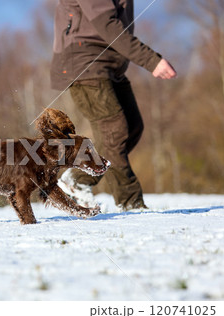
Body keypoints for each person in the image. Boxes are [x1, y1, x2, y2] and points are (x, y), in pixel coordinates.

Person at [51, 0, 177, 211]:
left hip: (110, 66)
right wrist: (151, 60)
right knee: (115, 131)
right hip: (85, 63)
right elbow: (108, 26)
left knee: (132, 126)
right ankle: (131, 203)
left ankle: (78, 178)